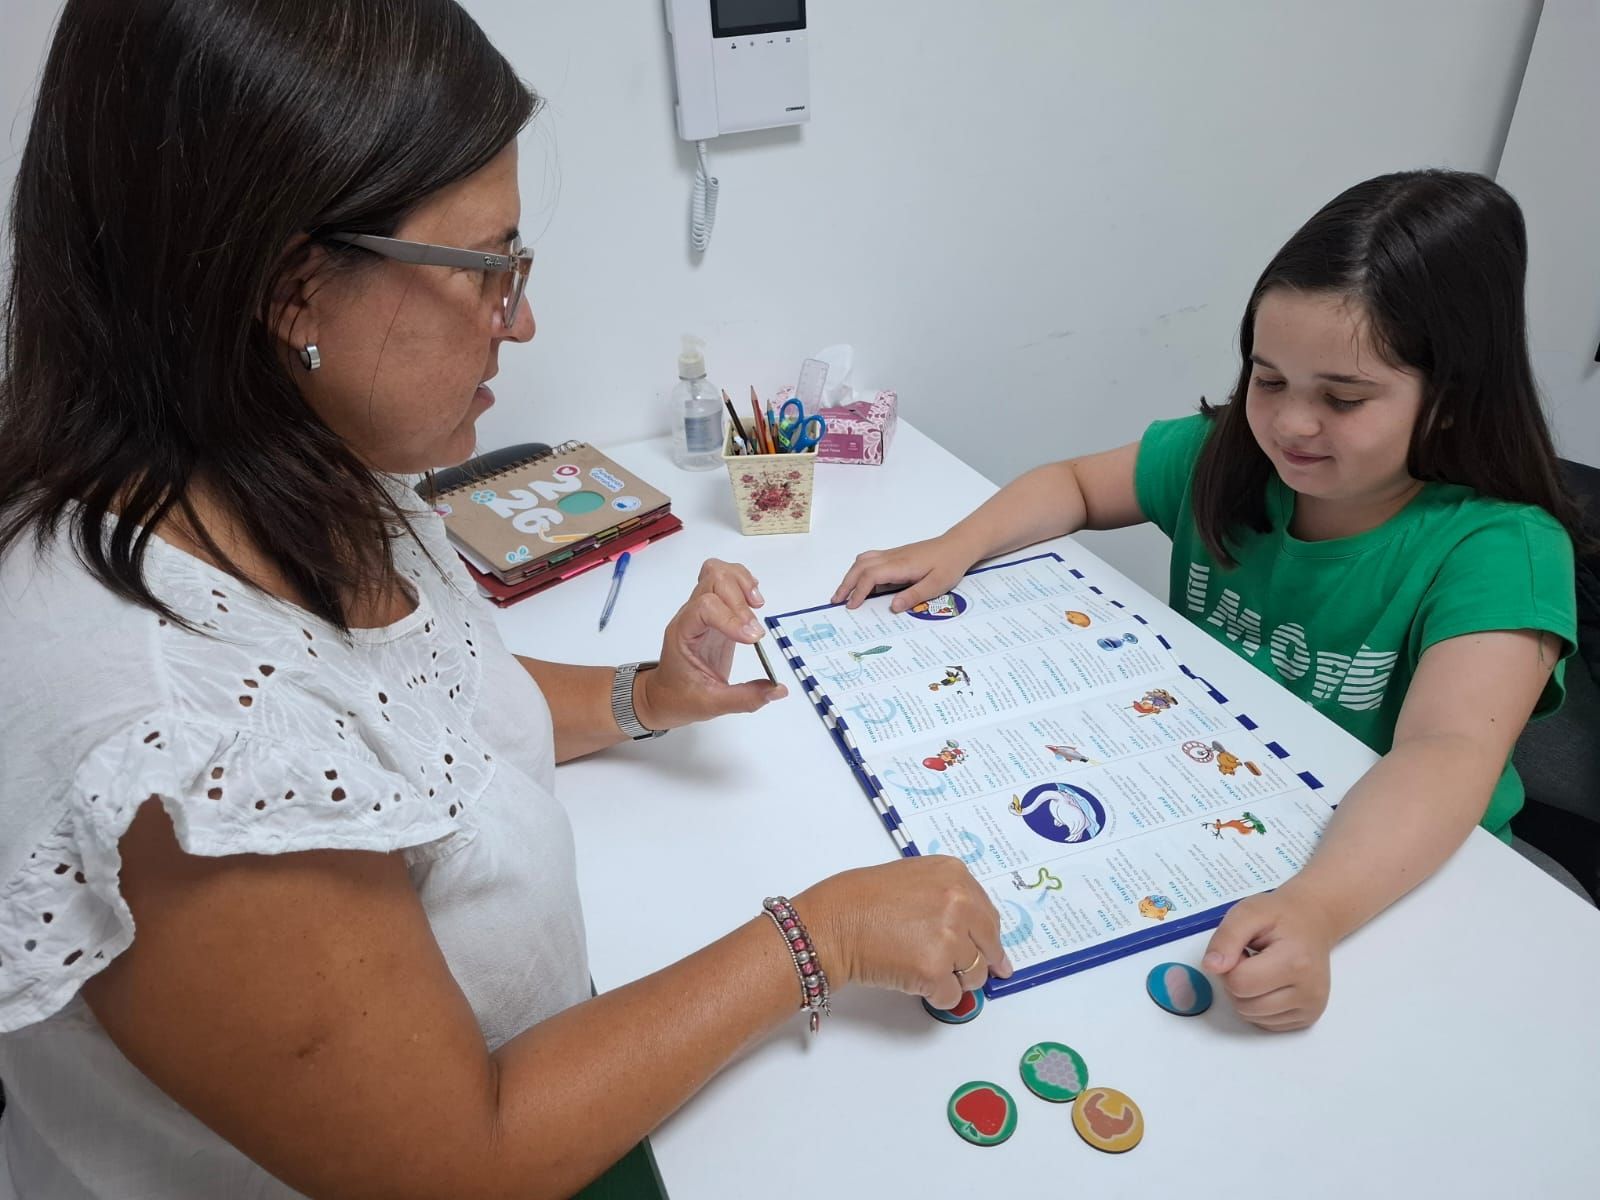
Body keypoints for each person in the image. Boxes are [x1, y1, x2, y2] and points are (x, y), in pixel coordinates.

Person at [0, 3, 1009, 1197]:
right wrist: (818, 939)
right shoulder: (175, 744)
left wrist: (642, 695)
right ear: (290, 291)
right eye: (489, 269)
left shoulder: (285, 467)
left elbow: (395, 717)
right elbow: (454, 1163)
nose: (519, 320)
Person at [835, 168, 1582, 1034]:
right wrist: (955, 545)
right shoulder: (1230, 456)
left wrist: (1321, 907)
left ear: (1451, 401)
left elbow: (1446, 755)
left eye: (1342, 398)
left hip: (1394, 885)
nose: (1291, 425)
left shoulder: (1501, 550)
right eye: (1269, 381)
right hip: (1208, 810)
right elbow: (1074, 484)